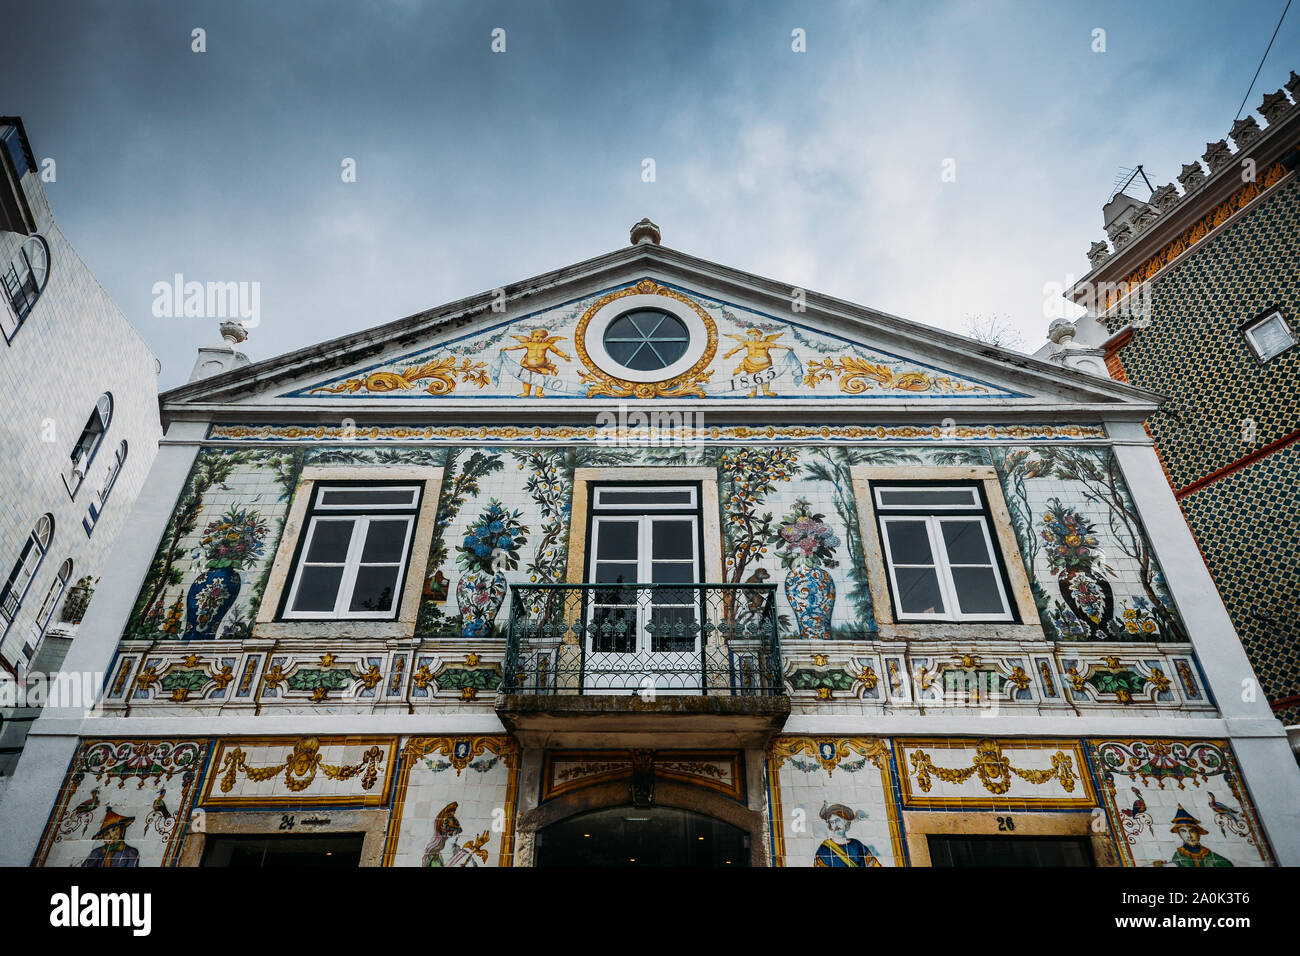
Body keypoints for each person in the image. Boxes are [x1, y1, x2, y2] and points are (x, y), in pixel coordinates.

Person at [814, 802, 882, 867]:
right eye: (832, 822)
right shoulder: (823, 849)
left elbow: (872, 864)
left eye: (838, 820)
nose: (835, 825)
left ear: (846, 821)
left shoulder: (857, 845)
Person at [1162, 805, 1233, 867]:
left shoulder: (1209, 855)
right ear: (1179, 835)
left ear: (1199, 833)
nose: (1189, 836)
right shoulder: (1178, 856)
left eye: (1192, 831)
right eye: (1183, 831)